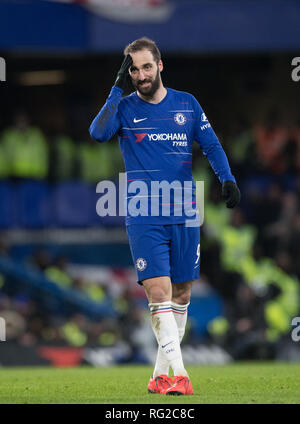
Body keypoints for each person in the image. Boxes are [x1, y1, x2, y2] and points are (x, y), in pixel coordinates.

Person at [89, 37, 240, 395]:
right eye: (133, 69)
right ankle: (181, 374)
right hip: (143, 211)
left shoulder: (186, 104)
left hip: (185, 210)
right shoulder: (124, 108)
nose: (140, 74)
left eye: (145, 66)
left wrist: (228, 179)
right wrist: (114, 90)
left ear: (160, 65)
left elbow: (212, 144)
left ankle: (159, 375)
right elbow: (98, 134)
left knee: (182, 293)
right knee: (159, 291)